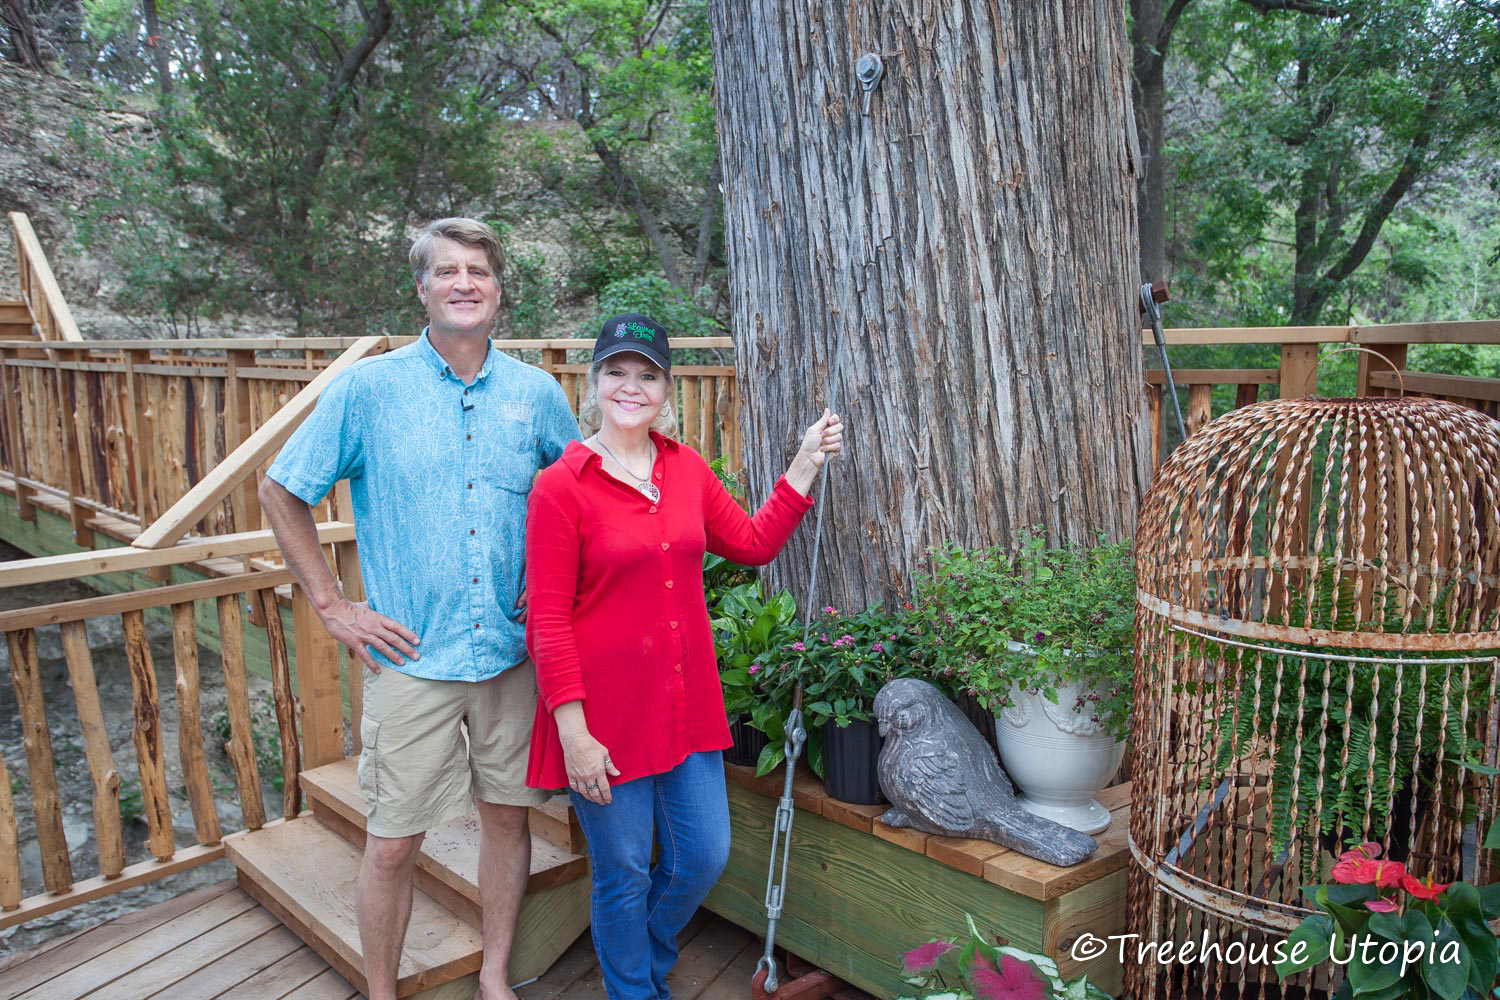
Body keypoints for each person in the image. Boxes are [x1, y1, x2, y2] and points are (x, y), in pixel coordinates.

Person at [258, 218, 579, 1000]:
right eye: (447, 271)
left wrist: (552, 578)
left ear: (500, 291)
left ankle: (497, 973)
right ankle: (380, 991)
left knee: (509, 824)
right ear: (422, 290)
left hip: (508, 656)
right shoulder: (370, 390)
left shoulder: (536, 395)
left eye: (479, 271)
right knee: (394, 844)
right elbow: (280, 488)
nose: (464, 283)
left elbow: (579, 496)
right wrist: (332, 605)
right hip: (411, 660)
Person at [523, 312, 843, 1000]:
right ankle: (634, 989)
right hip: (602, 719)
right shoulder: (563, 484)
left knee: (703, 856)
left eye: (647, 375)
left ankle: (645, 949)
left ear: (666, 390)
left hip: (685, 703)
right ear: (595, 382)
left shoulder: (686, 469)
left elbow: (753, 544)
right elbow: (547, 620)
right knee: (624, 870)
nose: (631, 387)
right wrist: (572, 732)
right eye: (617, 372)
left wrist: (804, 463)